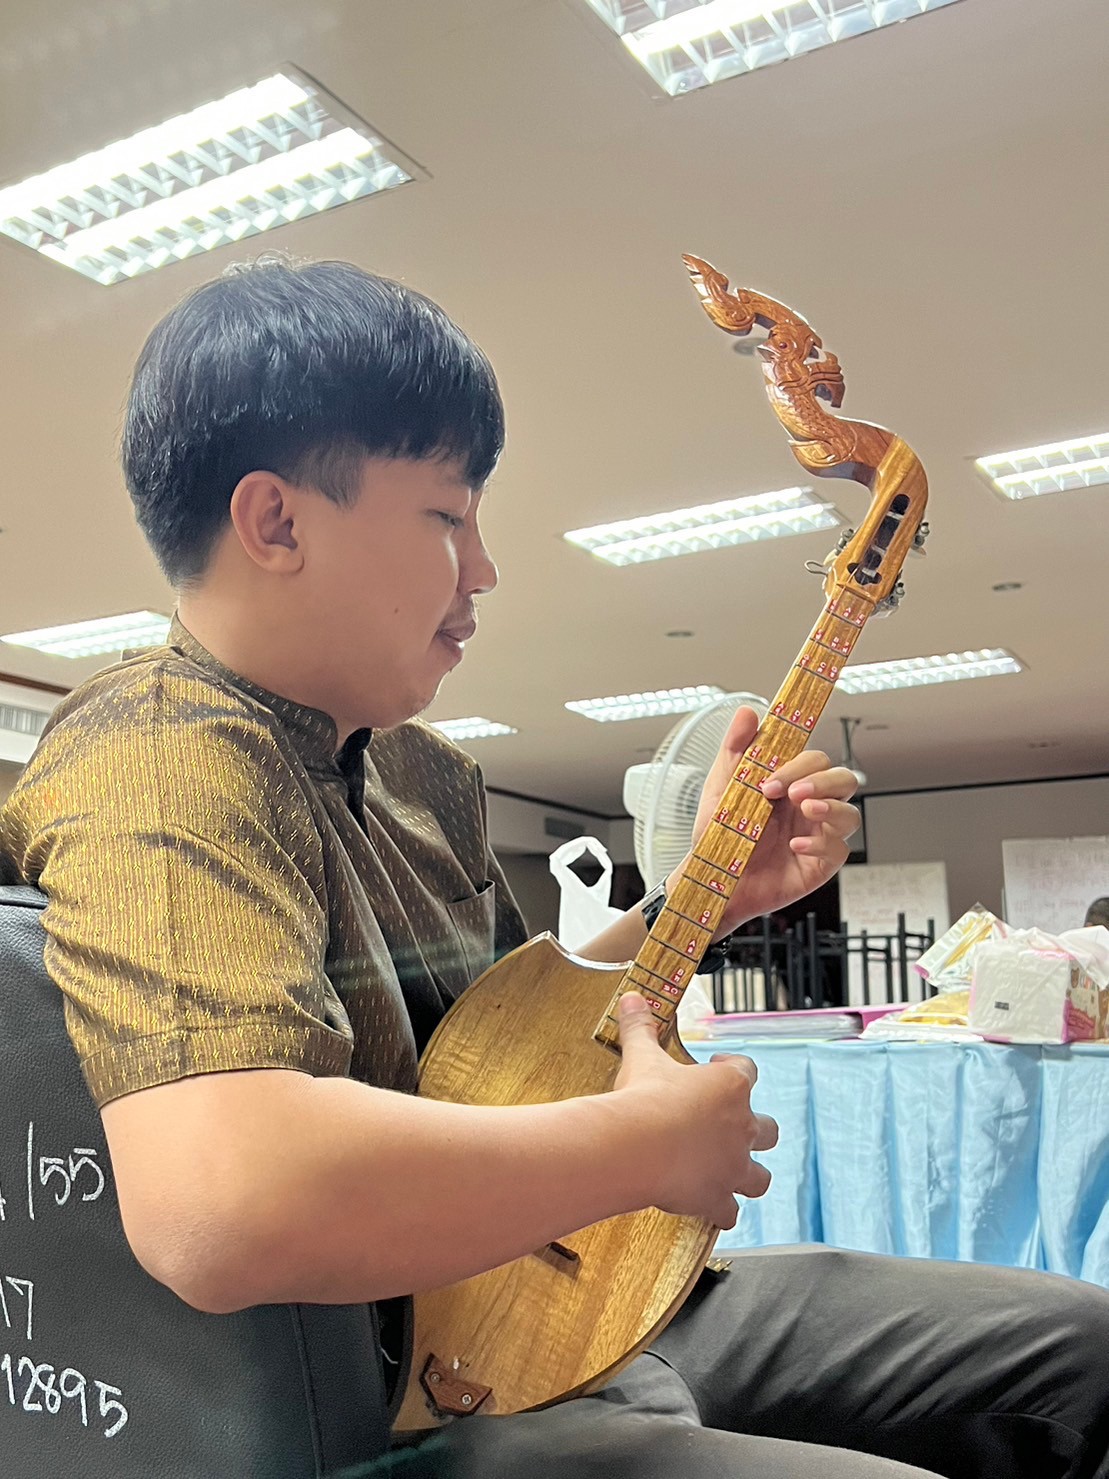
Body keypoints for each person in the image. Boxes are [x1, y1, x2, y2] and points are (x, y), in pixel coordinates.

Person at [2, 257, 1107, 1479]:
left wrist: (702, 901)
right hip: (418, 1387)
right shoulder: (160, 751)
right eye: (446, 517)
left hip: (579, 1300)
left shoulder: (422, 773)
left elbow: (503, 1043)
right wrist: (640, 1150)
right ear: (276, 522)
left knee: (1081, 1347)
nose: (482, 569)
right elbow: (222, 1202)